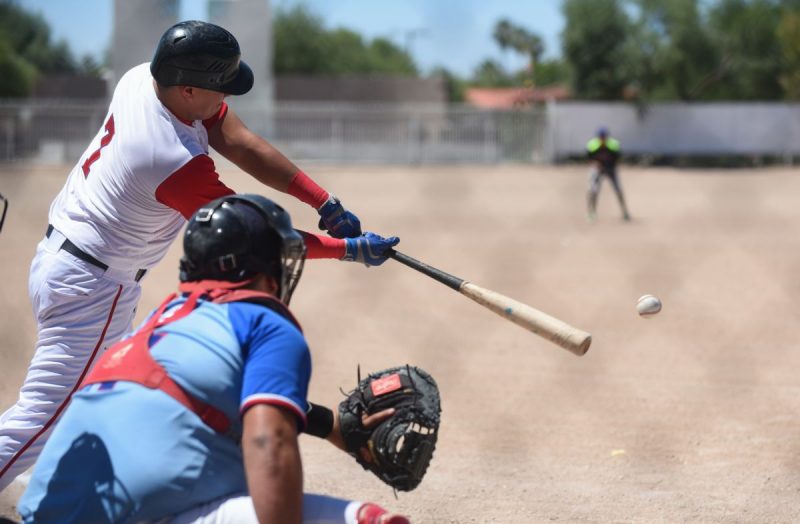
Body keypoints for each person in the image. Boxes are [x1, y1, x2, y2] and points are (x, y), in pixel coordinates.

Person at [0, 20, 399, 492]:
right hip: (91, 286)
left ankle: (100, 492)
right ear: (188, 89)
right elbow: (255, 234)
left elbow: (239, 140)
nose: (227, 98)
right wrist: (346, 250)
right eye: (220, 88)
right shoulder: (167, 158)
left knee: (115, 394)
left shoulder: (143, 80)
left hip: (71, 261)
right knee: (41, 419)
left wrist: (323, 201)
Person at [17, 194, 409, 523]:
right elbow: (268, 440)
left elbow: (203, 393)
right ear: (268, 271)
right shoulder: (265, 323)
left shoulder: (159, 321)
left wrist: (330, 426)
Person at [586, 127, 631, 223]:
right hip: (597, 170)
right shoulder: (592, 145)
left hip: (611, 169)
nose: (603, 139)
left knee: (618, 190)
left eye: (604, 137)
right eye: (601, 137)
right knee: (593, 190)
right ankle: (591, 213)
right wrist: (595, 164)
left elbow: (617, 158)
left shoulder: (613, 145)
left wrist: (612, 167)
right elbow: (589, 158)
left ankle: (624, 212)